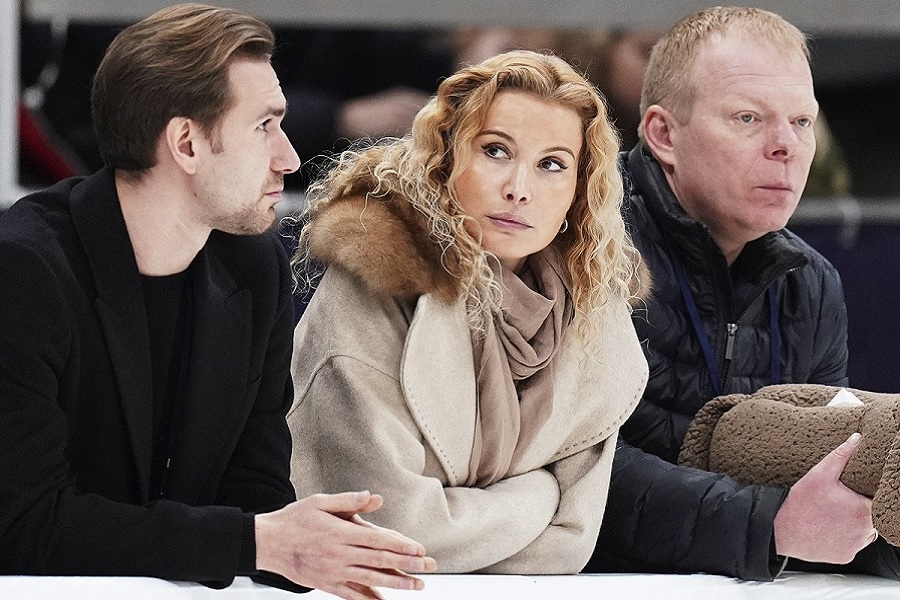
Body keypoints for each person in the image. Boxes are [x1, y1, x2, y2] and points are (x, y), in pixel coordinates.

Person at [0, 4, 437, 598]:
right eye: (264, 127)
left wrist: (315, 544)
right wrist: (259, 544)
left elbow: (254, 493)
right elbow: (24, 528)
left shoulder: (254, 267)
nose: (289, 157)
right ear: (186, 143)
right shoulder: (24, 272)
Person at [287, 50, 649, 573]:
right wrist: (544, 495)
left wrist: (463, 528)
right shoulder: (377, 278)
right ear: (445, 158)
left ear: (578, 190)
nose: (518, 189)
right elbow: (392, 531)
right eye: (495, 151)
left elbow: (570, 543)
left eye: (551, 164)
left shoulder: (594, 308)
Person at [585, 6, 900, 580]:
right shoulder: (583, 246)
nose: (786, 146)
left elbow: (828, 486)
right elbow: (569, 471)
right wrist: (770, 525)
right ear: (663, 135)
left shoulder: (811, 283)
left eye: (801, 121)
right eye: (748, 118)